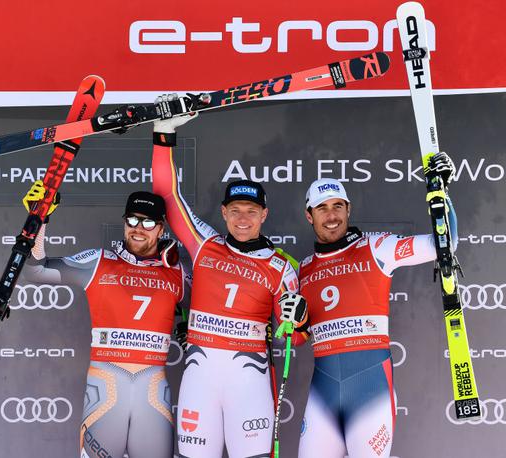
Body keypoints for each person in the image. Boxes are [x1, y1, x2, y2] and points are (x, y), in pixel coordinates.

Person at [150, 103, 308, 458]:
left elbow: (296, 337)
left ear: (264, 215)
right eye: (235, 210)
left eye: (251, 212)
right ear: (223, 212)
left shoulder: (281, 267)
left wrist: (297, 318)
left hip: (249, 383)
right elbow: (167, 196)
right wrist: (164, 136)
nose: (242, 219)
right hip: (199, 379)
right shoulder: (205, 244)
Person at [296, 152, 458, 457]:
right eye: (322, 208)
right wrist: (298, 322)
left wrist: (442, 194)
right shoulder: (302, 270)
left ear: (348, 209)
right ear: (309, 215)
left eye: (337, 207)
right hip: (323, 396)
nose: (331, 216)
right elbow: (295, 338)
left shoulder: (376, 247)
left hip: (370, 390)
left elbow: (445, 245)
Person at [20, 181, 188, 458]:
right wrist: (40, 219)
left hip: (153, 393)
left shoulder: (176, 272)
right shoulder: (99, 261)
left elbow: (214, 303)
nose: (138, 228)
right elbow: (35, 271)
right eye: (132, 220)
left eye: (148, 224)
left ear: (161, 229)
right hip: (106, 387)